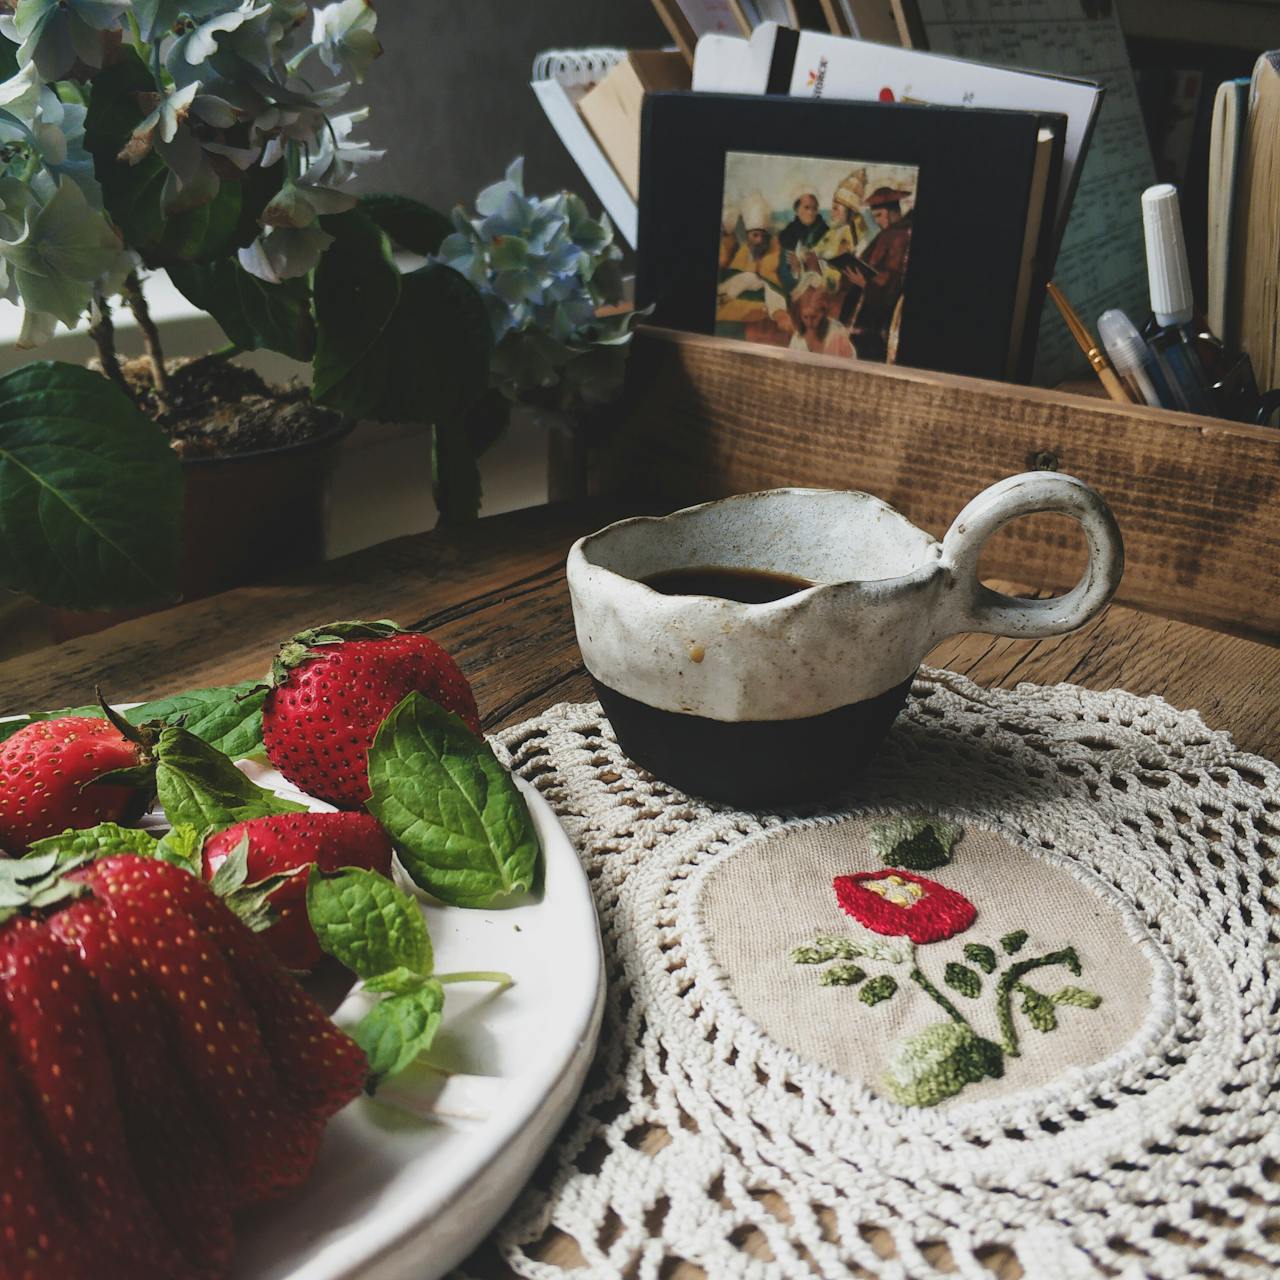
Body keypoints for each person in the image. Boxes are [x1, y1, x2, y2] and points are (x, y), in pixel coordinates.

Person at [843, 185, 913, 361]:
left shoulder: (898, 236)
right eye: (874, 217)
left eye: (879, 216)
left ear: (892, 212)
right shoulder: (890, 234)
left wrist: (864, 284)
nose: (877, 222)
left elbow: (893, 280)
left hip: (880, 318)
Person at [716, 192, 787, 345]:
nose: (760, 240)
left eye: (763, 236)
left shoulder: (777, 250)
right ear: (748, 236)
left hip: (770, 304)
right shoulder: (743, 251)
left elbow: (779, 284)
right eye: (755, 235)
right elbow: (733, 278)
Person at [787, 273, 855, 358]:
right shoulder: (797, 338)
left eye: (814, 317)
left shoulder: (836, 334)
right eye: (805, 317)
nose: (810, 322)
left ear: (823, 312)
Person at [778, 185, 828, 295]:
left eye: (814, 208)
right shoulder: (787, 235)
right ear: (796, 209)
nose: (811, 213)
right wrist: (796, 269)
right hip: (798, 291)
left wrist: (816, 267)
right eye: (806, 207)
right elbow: (784, 275)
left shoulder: (825, 232)